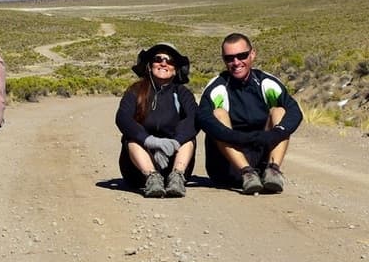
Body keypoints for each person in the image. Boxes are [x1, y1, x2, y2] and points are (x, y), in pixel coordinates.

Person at [195, 33, 303, 194]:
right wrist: (236, 137)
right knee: (218, 114)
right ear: (224, 60)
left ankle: (273, 170)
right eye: (229, 58)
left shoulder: (266, 82)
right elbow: (203, 118)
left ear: (252, 54)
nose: (236, 62)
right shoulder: (218, 86)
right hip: (227, 167)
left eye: (242, 56)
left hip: (260, 161)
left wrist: (275, 133)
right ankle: (246, 172)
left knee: (280, 110)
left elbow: (295, 111)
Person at [115, 42, 198, 198]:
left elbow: (194, 118)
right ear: (149, 65)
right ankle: (152, 177)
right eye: (157, 58)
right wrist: (150, 141)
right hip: (137, 168)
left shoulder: (182, 93)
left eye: (169, 60)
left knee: (189, 139)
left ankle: (177, 176)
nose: (163, 63)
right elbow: (122, 118)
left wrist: (175, 143)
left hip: (173, 156)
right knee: (131, 139)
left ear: (176, 69)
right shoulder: (136, 90)